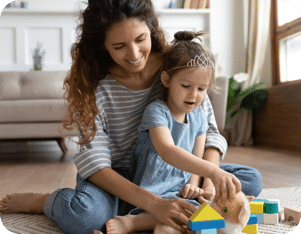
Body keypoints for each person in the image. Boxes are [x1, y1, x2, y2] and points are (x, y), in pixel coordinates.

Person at [0, 1, 262, 234]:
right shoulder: (95, 87)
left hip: (174, 173)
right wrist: (156, 204)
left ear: (151, 29)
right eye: (119, 46)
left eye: (140, 39)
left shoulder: (178, 67)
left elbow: (208, 131)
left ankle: (143, 209)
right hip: (116, 177)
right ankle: (47, 201)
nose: (134, 54)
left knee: (248, 180)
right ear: (102, 45)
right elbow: (95, 164)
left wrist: (209, 184)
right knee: (83, 218)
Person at [105, 30, 242, 234]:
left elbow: (198, 156)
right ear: (167, 79)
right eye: (186, 85)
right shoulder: (156, 112)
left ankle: (168, 225)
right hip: (152, 186)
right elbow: (167, 150)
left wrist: (195, 185)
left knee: (198, 208)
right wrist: (213, 172)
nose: (193, 95)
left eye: (202, 89)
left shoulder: (199, 116)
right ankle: (132, 222)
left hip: (180, 186)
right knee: (174, 206)